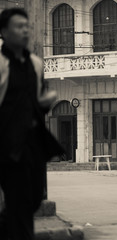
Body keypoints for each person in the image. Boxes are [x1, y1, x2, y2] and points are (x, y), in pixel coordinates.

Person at [0, 8, 64, 240]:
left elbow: (32, 102)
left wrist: (45, 102)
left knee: (35, 196)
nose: (25, 30)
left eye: (27, 26)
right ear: (4, 32)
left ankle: (5, 226)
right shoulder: (1, 65)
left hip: (32, 143)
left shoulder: (36, 64)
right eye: (19, 26)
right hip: (7, 145)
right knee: (19, 200)